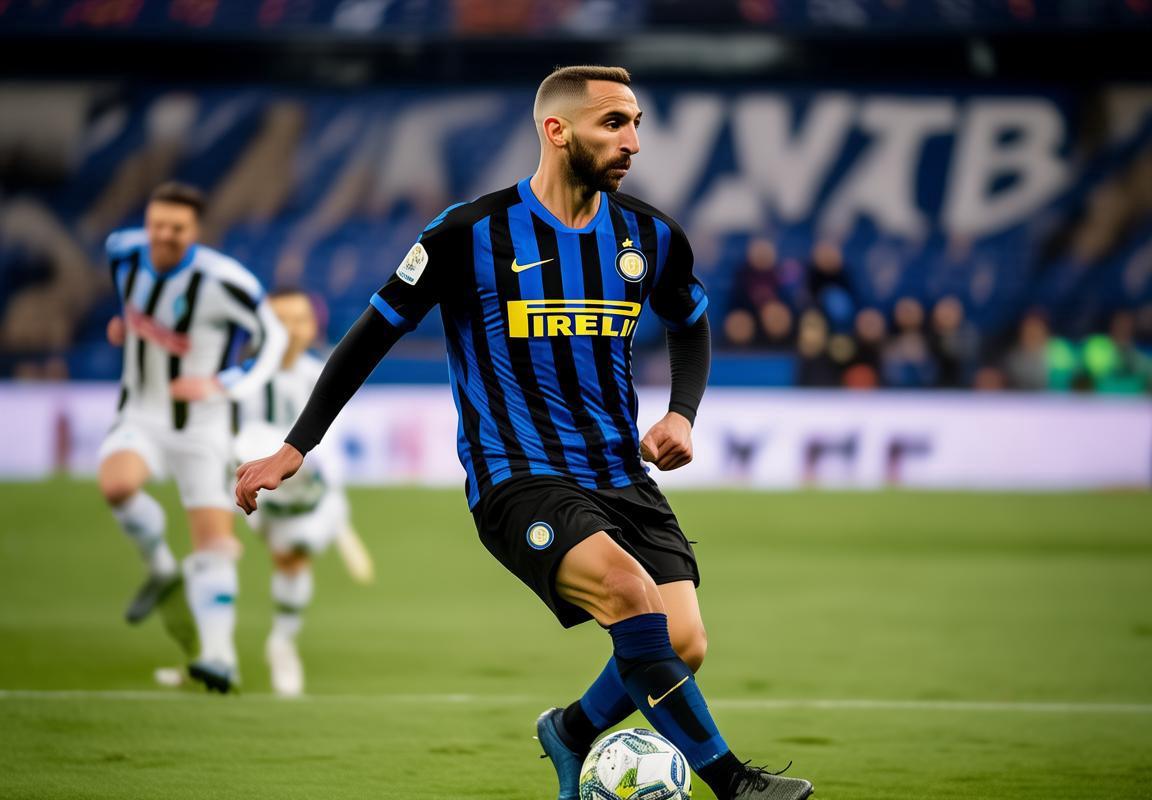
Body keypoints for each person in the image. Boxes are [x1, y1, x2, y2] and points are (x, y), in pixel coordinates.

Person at [235, 66, 814, 799]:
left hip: (618, 472)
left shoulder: (650, 235)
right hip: (517, 474)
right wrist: (296, 446)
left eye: (637, 124)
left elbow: (690, 321)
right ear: (557, 130)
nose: (633, 142)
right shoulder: (467, 233)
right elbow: (370, 335)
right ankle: (733, 783)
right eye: (614, 123)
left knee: (683, 642)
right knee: (629, 594)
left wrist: (681, 412)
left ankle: (569, 731)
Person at [99, 181, 287, 693]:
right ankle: (162, 569)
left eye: (177, 228)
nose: (164, 235)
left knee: (215, 543)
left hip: (202, 426)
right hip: (140, 414)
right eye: (157, 224)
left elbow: (273, 337)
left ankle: (220, 657)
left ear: (195, 231)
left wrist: (224, 382)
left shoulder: (223, 280)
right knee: (117, 485)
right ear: (147, 222)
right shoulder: (123, 253)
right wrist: (124, 327)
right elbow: (130, 309)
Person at [235, 288, 375, 697]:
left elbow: (331, 448)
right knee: (217, 555)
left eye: (299, 320)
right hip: (244, 485)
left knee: (292, 558)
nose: (291, 330)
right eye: (280, 321)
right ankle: (210, 650)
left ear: (313, 327)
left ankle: (282, 643)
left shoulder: (321, 377)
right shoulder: (238, 381)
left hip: (298, 492)